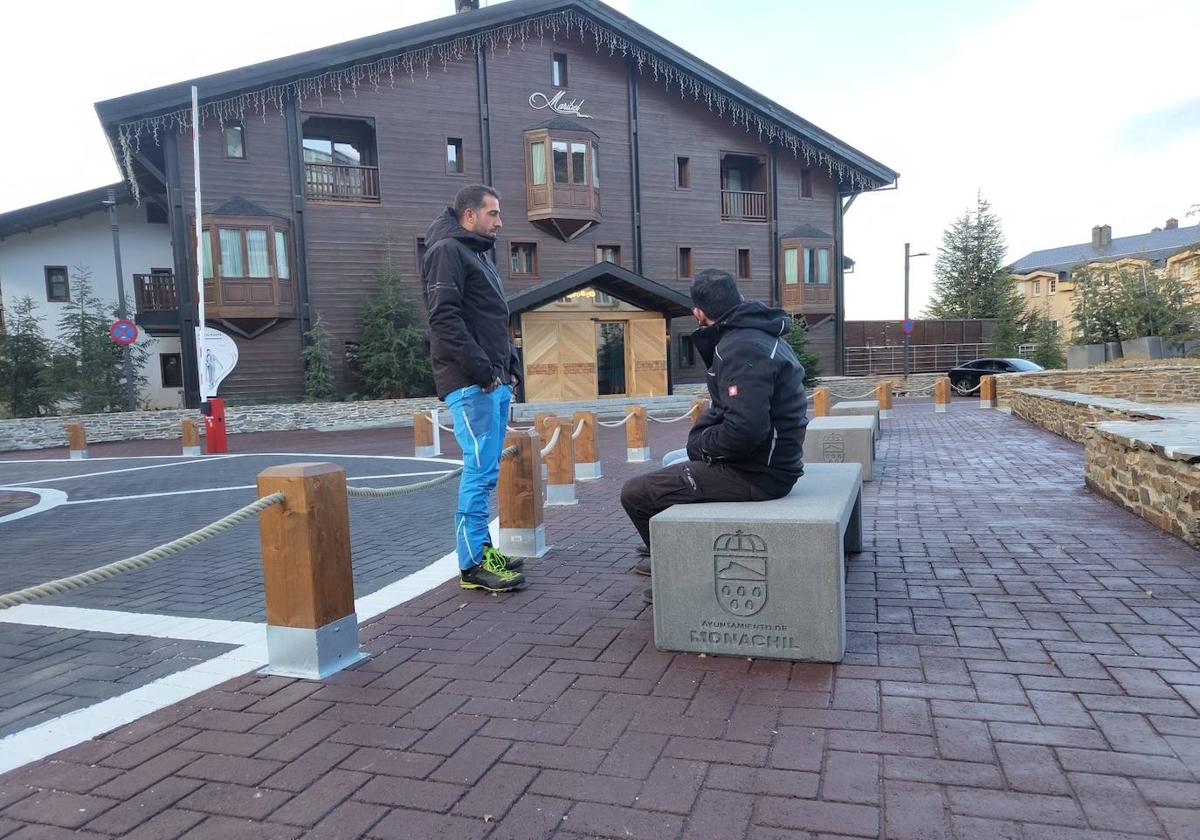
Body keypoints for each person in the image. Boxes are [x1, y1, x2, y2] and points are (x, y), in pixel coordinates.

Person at [620, 269, 809, 604]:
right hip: (767, 461)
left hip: (760, 474)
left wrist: (702, 446)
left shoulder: (741, 347)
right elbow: (732, 413)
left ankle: (680, 572)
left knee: (636, 494)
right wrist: (700, 445)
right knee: (672, 460)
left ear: (699, 314)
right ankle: (667, 547)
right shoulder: (755, 336)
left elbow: (746, 430)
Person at [422, 184, 526, 592]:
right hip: (471, 384)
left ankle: (482, 551)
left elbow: (493, 318)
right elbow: (444, 320)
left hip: (492, 381)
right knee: (479, 473)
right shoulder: (447, 251)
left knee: (486, 473)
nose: (499, 222)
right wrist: (484, 372)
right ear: (469, 215)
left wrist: (510, 367)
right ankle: (471, 566)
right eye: (493, 214)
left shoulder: (475, 252)